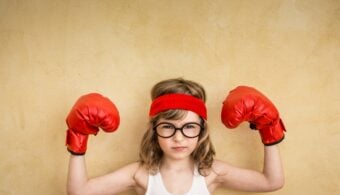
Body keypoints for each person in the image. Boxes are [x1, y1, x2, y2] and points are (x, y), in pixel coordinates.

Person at [66, 78, 285, 195]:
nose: (178, 138)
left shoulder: (211, 172)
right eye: (168, 127)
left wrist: (269, 129)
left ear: (202, 129)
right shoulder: (141, 174)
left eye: (189, 127)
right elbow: (80, 191)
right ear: (154, 130)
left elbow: (271, 182)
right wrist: (78, 138)